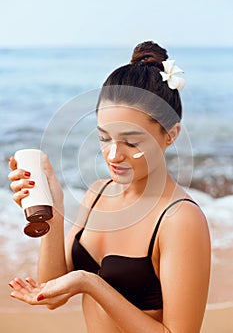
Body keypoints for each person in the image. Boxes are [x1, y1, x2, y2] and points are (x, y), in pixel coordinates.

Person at [8, 41, 211, 333]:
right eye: (105, 138)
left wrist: (90, 283)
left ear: (170, 134)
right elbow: (51, 294)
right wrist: (54, 209)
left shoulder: (180, 220)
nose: (114, 155)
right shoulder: (98, 193)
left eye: (131, 141)